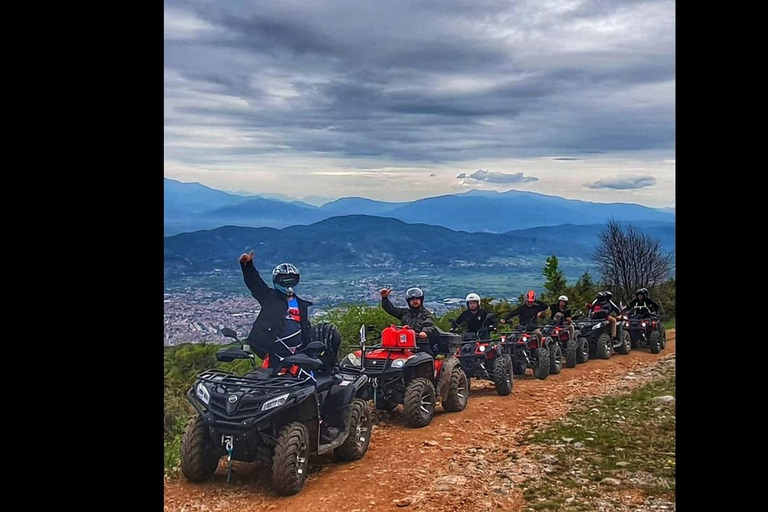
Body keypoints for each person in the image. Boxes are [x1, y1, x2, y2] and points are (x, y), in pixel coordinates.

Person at [238, 251, 313, 368]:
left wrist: (311, 351)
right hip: (273, 355)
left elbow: (305, 329)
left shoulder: (301, 304)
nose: (288, 283)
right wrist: (247, 265)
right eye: (284, 279)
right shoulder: (269, 297)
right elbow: (255, 284)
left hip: (298, 355)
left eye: (291, 279)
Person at [380, 287, 440, 356]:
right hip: (403, 342)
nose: (415, 301)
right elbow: (391, 310)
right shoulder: (405, 313)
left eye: (417, 299)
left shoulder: (427, 314)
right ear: (409, 301)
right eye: (412, 299)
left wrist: (424, 332)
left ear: (421, 300)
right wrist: (385, 299)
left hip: (420, 342)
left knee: (428, 357)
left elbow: (429, 324)